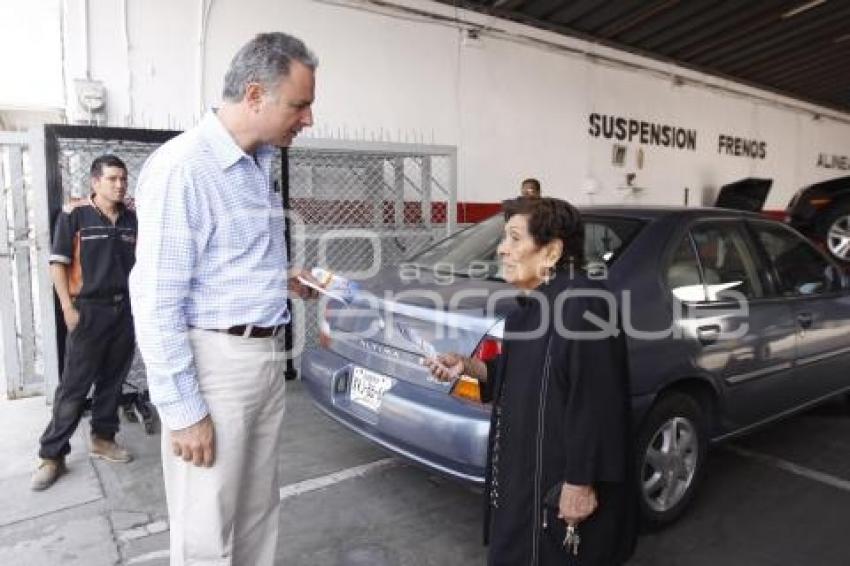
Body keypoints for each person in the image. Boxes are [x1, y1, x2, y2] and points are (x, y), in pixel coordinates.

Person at [129, 32, 319, 565]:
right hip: (213, 367)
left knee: (259, 509)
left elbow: (224, 261)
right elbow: (156, 299)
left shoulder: (256, 165)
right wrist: (184, 409)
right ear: (256, 95)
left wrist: (282, 278)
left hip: (261, 361)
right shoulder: (183, 169)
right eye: (299, 105)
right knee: (206, 523)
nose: (307, 119)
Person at [424, 197, 636, 565]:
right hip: (521, 485)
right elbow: (524, 374)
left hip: (554, 491)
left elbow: (599, 401)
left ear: (551, 251)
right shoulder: (528, 310)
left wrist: (580, 482)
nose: (502, 249)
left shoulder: (583, 305)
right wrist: (468, 367)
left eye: (514, 239)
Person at [32, 154, 137, 491]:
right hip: (87, 311)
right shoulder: (74, 215)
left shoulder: (132, 220)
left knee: (113, 381)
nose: (119, 184)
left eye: (123, 179)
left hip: (124, 311)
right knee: (74, 387)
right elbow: (58, 264)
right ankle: (52, 455)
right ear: (95, 182)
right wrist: (67, 308)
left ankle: (103, 439)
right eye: (112, 179)